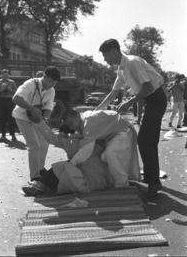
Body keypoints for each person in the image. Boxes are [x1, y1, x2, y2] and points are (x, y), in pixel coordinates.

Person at [96, 39, 167, 196]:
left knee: (144, 140)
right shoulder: (121, 69)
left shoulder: (132, 62)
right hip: (150, 101)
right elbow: (113, 93)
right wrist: (95, 111)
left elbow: (148, 87)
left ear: (114, 52)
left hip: (156, 99)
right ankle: (152, 179)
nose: (104, 59)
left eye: (105, 55)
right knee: (149, 141)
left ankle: (153, 182)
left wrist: (129, 103)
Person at [22, 108, 140, 196]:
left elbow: (51, 137)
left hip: (90, 182)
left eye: (72, 124)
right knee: (108, 155)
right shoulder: (93, 137)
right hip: (104, 181)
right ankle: (41, 186)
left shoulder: (85, 136)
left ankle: (40, 186)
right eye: (70, 126)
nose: (73, 128)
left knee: (62, 166)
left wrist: (39, 123)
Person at [12, 66, 61, 182]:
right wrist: (31, 109)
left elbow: (49, 108)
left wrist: (44, 120)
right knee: (34, 145)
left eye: (55, 82)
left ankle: (40, 168)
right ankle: (34, 176)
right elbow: (16, 98)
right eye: (51, 81)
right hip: (22, 117)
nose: (53, 84)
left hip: (37, 118)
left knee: (44, 142)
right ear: (45, 76)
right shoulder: (30, 84)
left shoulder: (51, 90)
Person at [0, 69, 17, 142]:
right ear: (1, 75)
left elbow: (17, 92)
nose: (5, 76)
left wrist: (10, 90)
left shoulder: (12, 82)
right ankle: (3, 135)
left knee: (11, 119)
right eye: (4, 75)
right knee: (2, 119)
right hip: (1, 101)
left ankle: (13, 135)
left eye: (7, 75)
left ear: (8, 75)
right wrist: (2, 89)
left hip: (10, 101)